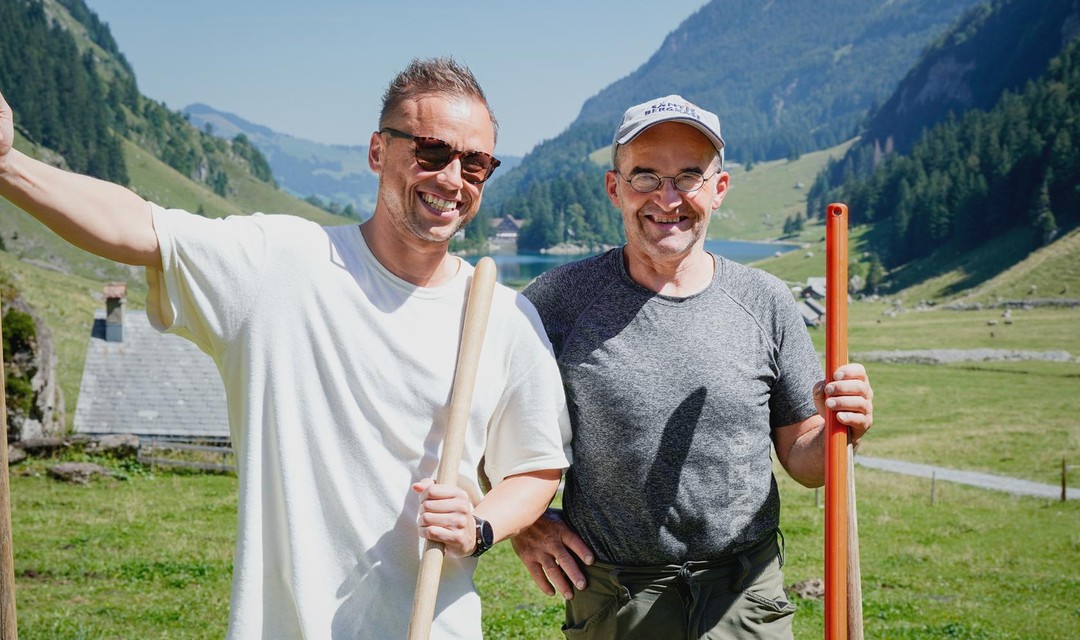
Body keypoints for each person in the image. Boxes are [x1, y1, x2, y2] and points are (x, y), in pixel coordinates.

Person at [0, 58, 571, 639]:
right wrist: (7, 163)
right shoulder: (281, 264)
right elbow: (139, 228)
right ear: (379, 151)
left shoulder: (501, 314)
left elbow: (535, 467)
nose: (453, 179)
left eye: (475, 164)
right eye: (431, 153)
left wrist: (477, 525)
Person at [511, 95, 874, 639]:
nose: (667, 198)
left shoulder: (767, 301)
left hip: (745, 601)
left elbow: (807, 463)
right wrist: (528, 525)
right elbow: (487, 427)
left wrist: (843, 430)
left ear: (718, 190)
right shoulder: (557, 301)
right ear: (614, 189)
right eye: (645, 177)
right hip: (618, 601)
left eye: (688, 177)